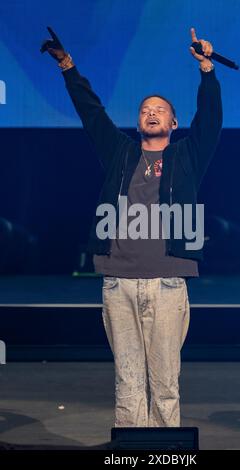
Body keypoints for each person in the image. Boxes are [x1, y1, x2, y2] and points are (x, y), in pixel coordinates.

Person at [41, 26, 222, 427]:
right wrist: (69, 67)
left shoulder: (187, 157)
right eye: (145, 109)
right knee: (127, 382)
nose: (152, 112)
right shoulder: (121, 154)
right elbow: (93, 115)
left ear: (174, 123)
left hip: (168, 283)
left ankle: (165, 450)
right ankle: (131, 451)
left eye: (160, 110)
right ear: (138, 121)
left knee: (165, 383)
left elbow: (210, 121)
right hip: (118, 282)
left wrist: (207, 70)